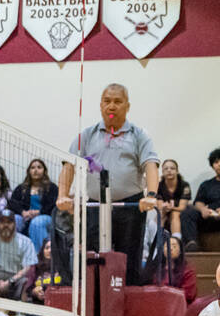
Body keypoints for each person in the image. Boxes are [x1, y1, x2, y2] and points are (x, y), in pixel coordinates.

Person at [57, 83, 160, 284]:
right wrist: (62, 195)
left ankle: (127, 301)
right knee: (93, 257)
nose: (111, 106)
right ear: (101, 105)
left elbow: (151, 165)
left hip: (130, 205)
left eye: (117, 101)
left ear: (127, 106)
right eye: (107, 101)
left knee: (129, 257)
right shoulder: (87, 135)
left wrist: (152, 195)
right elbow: (69, 165)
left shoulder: (139, 135)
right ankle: (94, 301)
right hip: (95, 205)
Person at [7, 159, 56, 255]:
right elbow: (12, 203)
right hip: (26, 217)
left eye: (39, 167)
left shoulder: (52, 187)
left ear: (44, 171)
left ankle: (38, 257)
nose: (36, 170)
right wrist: (23, 212)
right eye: (33, 168)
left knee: (37, 222)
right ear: (29, 171)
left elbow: (54, 204)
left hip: (46, 217)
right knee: (14, 220)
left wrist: (39, 212)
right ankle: (12, 255)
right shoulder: (22, 188)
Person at [151, 236, 197, 304]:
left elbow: (189, 294)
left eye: (174, 246)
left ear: (180, 251)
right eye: (167, 246)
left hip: (179, 306)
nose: (170, 248)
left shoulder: (188, 271)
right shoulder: (156, 269)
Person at [156, 159, 191, 238]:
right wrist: (164, 208)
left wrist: (172, 208)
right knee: (161, 214)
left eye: (172, 168)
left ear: (177, 171)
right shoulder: (159, 185)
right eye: (166, 169)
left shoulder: (184, 185)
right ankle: (158, 241)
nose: (169, 171)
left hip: (179, 211)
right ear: (162, 171)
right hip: (164, 210)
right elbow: (159, 206)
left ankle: (176, 239)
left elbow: (182, 207)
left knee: (174, 214)